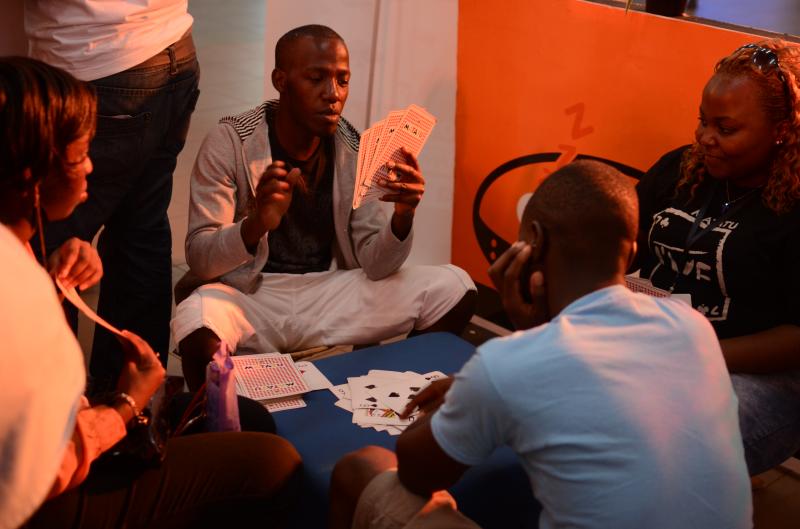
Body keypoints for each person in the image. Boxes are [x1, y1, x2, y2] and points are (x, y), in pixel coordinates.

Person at [329, 160, 752, 529]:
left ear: (534, 242)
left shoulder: (509, 365)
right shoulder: (693, 327)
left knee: (363, 467)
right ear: (633, 249)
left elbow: (417, 471)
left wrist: (521, 342)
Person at [0, 57, 300, 529]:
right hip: (48, 503)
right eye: (81, 156)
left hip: (68, 445)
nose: (94, 167)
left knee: (245, 417)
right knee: (274, 463)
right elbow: (40, 469)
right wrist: (125, 406)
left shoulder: (18, 255)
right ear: (31, 181)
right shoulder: (12, 289)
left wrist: (52, 286)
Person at [172, 25, 477, 391]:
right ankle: (226, 423)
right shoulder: (231, 140)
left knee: (454, 287)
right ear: (280, 81)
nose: (333, 95)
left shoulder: (353, 147)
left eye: (342, 81)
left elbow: (375, 264)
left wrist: (402, 217)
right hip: (251, 296)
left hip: (328, 294)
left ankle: (389, 390)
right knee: (194, 320)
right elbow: (201, 259)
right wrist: (254, 226)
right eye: (316, 79)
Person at [632, 39, 800, 476]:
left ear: (781, 129)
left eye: (726, 129)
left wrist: (695, 352)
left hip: (758, 372)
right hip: (660, 341)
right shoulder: (682, 169)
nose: (706, 139)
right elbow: (623, 241)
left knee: (675, 438)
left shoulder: (793, 206)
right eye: (703, 122)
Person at [23, 0, 202, 389]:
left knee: (45, 250)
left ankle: (62, 413)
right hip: (171, 49)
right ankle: (132, 404)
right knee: (140, 232)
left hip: (99, 64)